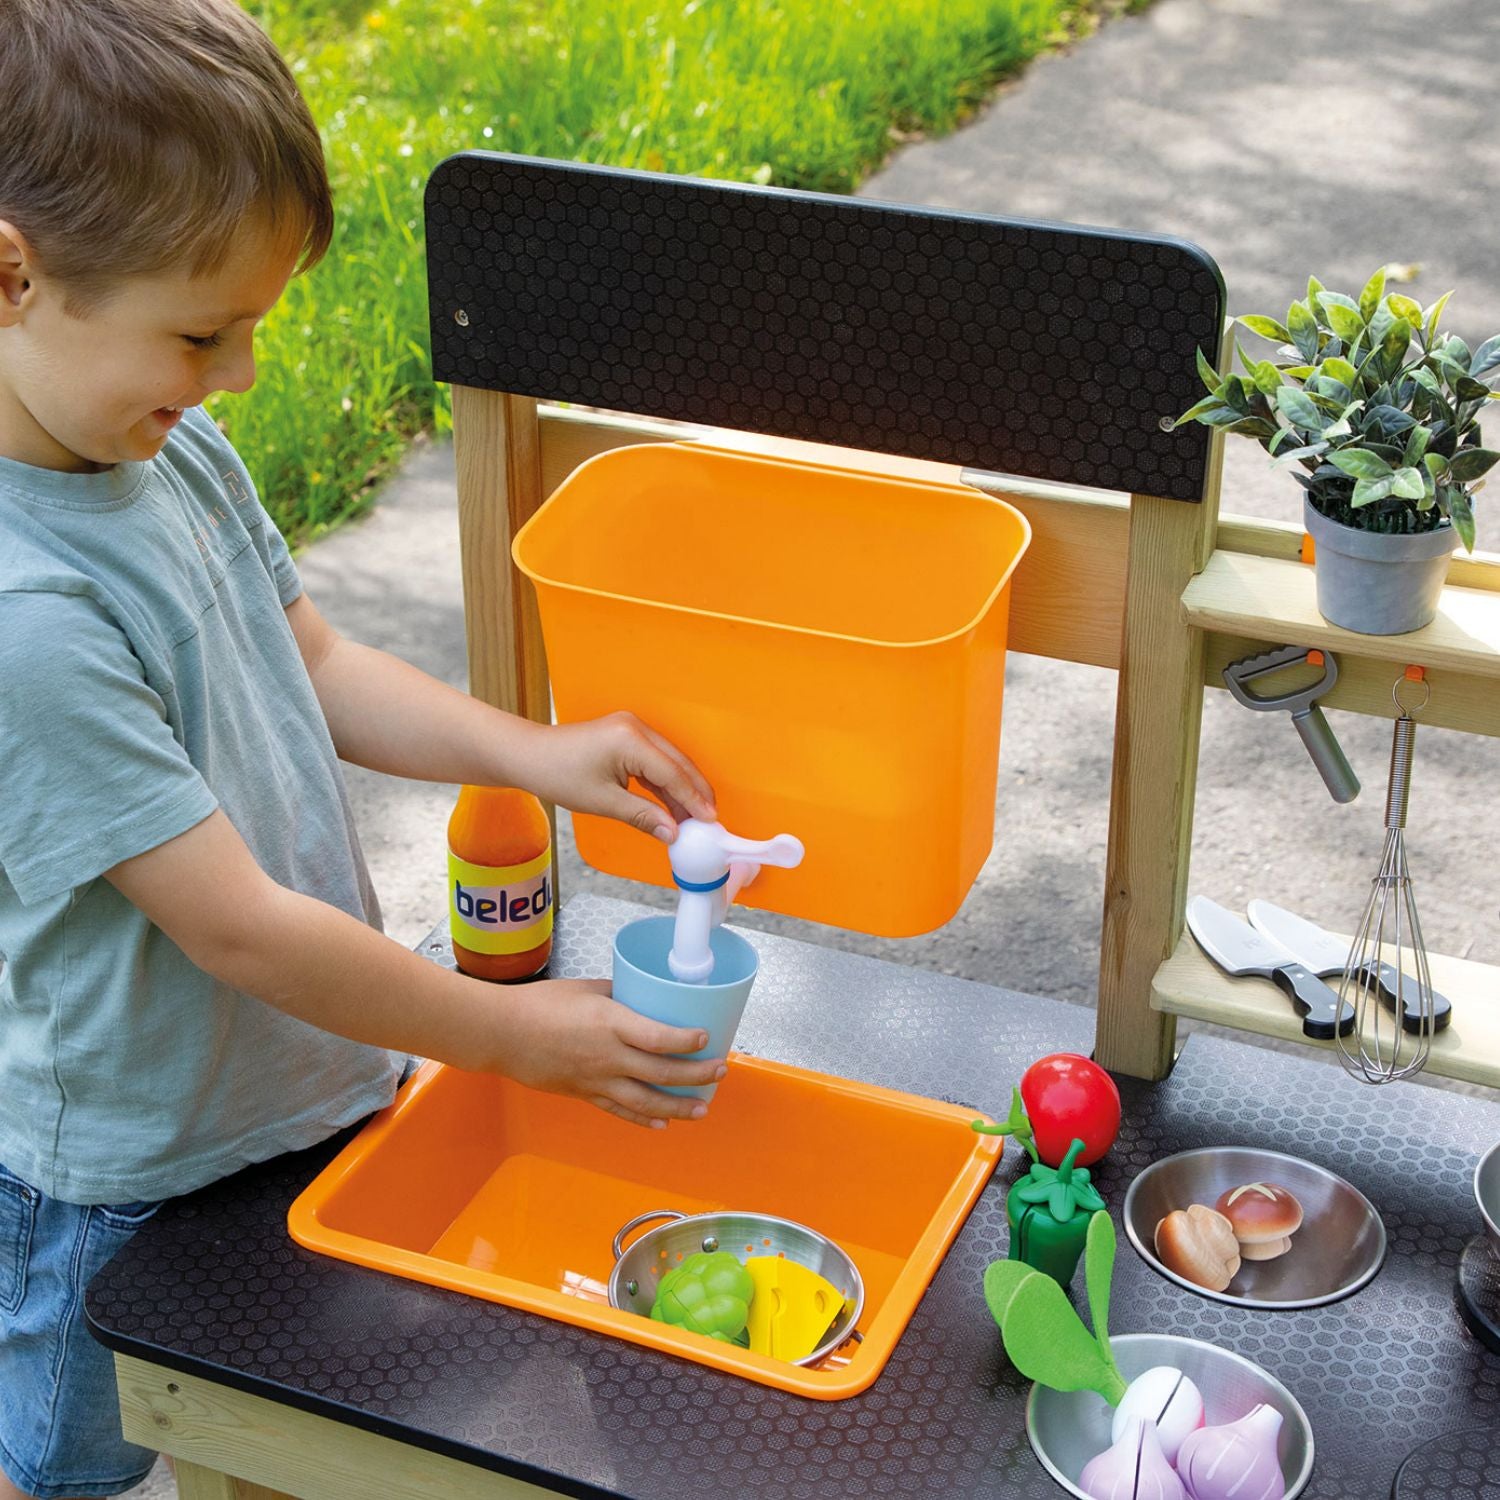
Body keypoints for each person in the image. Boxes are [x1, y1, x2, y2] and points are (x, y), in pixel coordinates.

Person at [0, 2, 724, 1495]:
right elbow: (239, 930)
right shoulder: (29, 618)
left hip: (294, 1083)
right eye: (203, 332)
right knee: (58, 1467)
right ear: (12, 277)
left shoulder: (165, 446)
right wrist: (517, 1038)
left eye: (254, 325)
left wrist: (541, 753)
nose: (244, 373)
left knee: (275, 1431)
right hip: (126, 1173)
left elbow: (317, 662)